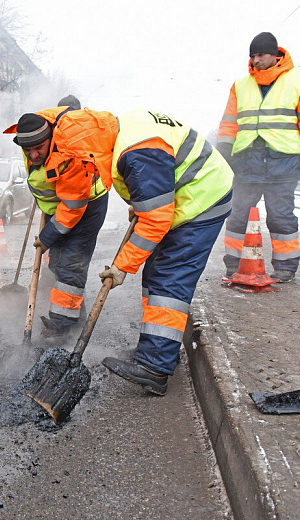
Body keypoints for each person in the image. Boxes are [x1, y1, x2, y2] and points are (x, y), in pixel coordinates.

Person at [85, 109, 234, 396]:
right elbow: (156, 185)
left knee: (170, 277)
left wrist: (121, 267)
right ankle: (159, 349)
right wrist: (143, 203)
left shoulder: (136, 152)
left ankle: (155, 369)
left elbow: (156, 218)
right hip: (185, 198)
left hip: (202, 201)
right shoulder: (121, 134)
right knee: (155, 271)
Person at [3, 105, 113, 337]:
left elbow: (72, 209)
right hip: (62, 206)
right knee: (56, 264)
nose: (33, 155)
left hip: (87, 206)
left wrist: (46, 238)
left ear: (51, 139)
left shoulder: (71, 153)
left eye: (38, 149)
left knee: (70, 264)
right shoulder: (35, 142)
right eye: (28, 150)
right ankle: (75, 314)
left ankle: (62, 327)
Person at [217, 32, 300, 283]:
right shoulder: (240, 85)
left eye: (260, 54)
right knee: (238, 214)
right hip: (246, 162)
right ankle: (234, 264)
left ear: (275, 54)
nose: (256, 60)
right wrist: (223, 156)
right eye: (252, 55)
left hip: (282, 162)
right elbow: (229, 124)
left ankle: (285, 267)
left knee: (280, 216)